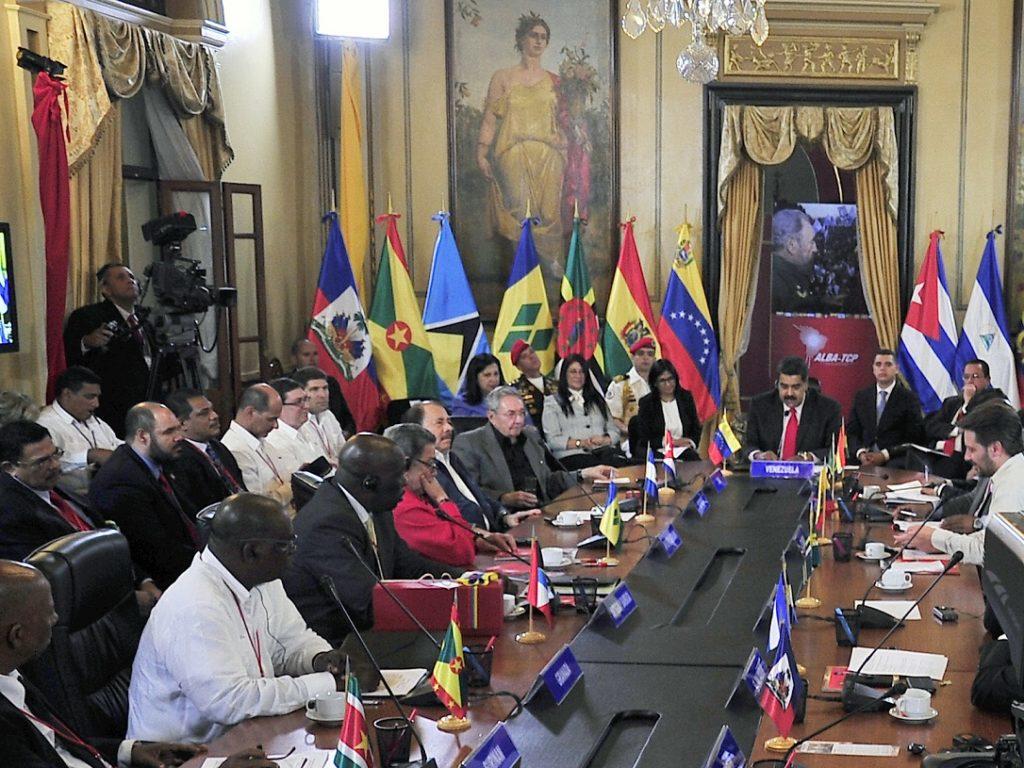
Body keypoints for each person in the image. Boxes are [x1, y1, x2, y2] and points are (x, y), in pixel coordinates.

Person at [128, 493, 365, 744]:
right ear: (252, 551)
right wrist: (326, 684)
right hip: (186, 753)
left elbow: (291, 641)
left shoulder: (260, 579)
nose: (294, 552)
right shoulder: (195, 605)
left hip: (249, 735)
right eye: (285, 546)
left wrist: (320, 659)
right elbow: (230, 701)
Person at [0, 560, 239, 768]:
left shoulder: (11, 672)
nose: (56, 620)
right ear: (17, 636)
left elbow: (55, 742)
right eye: (50, 613)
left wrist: (130, 751)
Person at [283, 434, 454, 646]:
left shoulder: (376, 505)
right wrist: (443, 608)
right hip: (341, 643)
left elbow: (407, 564)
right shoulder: (326, 524)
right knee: (448, 646)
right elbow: (365, 603)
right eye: (398, 476)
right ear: (369, 483)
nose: (405, 482)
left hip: (375, 628)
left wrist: (467, 582)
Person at [894, 402, 1024, 566]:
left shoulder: (1013, 486)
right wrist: (936, 539)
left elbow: (990, 551)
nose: (966, 457)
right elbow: (985, 537)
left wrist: (934, 538)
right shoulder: (1007, 472)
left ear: (995, 449)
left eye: (972, 449)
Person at [89, 403, 199, 590]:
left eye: (178, 428)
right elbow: (156, 553)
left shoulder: (163, 460)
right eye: (169, 432)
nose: (179, 437)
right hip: (167, 582)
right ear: (142, 436)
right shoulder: (121, 481)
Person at [453, 387, 613, 510]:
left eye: (522, 413)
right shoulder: (470, 443)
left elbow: (548, 481)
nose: (519, 420)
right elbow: (468, 491)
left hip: (543, 511)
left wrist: (583, 473)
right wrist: (505, 498)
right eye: (511, 414)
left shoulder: (530, 436)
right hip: (507, 519)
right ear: (491, 416)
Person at [403, 400, 541, 532]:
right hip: (472, 540)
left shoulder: (453, 458)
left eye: (449, 422)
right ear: (418, 430)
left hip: (493, 534)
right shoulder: (425, 471)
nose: (449, 428)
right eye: (439, 423)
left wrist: (505, 517)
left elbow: (479, 496)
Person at [62, 264, 168, 436]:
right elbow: (70, 353)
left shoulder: (146, 317)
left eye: (132, 277)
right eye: (121, 277)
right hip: (114, 406)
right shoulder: (88, 316)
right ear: (106, 289)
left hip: (151, 400)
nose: (130, 281)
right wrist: (87, 342)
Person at [384, 423, 479, 568]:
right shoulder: (405, 508)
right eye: (429, 464)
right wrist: (443, 499)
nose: (434, 472)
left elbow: (463, 535)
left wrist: (478, 540)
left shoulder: (419, 496)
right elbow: (463, 552)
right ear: (404, 466)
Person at [36, 366, 122, 498]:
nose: (96, 404)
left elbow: (115, 444)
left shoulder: (93, 420)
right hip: (71, 500)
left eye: (97, 397)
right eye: (90, 397)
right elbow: (45, 466)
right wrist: (89, 456)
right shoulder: (45, 424)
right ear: (67, 394)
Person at [163, 388, 246, 516]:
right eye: (204, 413)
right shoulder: (179, 458)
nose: (214, 416)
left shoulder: (218, 447)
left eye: (212, 410)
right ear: (182, 424)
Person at [745, 356, 842, 462]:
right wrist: (759, 455)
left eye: (796, 387)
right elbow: (748, 444)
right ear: (777, 384)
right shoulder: (760, 405)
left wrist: (807, 457)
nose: (789, 393)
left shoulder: (828, 409)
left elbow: (834, 448)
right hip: (769, 471)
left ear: (806, 385)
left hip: (809, 471)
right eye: (784, 387)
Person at [922, 359, 1008, 477]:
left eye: (975, 376)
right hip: (938, 453)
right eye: (966, 377)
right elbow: (932, 426)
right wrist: (956, 430)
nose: (970, 381)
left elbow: (975, 427)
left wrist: (968, 404)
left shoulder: (994, 403)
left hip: (965, 460)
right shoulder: (951, 402)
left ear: (987, 380)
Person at [542, 354, 624, 470]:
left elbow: (614, 432)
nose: (578, 376)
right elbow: (552, 441)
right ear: (564, 375)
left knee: (633, 464)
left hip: (603, 453)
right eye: (573, 372)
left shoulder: (597, 400)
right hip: (571, 457)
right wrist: (580, 443)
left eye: (582, 372)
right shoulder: (552, 402)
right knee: (600, 468)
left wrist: (604, 440)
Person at [846, 349, 924, 466]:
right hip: (863, 458)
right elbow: (852, 432)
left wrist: (884, 455)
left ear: (896, 369)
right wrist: (861, 453)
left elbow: (914, 437)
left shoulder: (909, 398)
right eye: (878, 364)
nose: (882, 368)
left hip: (895, 459)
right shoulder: (862, 397)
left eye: (888, 364)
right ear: (873, 369)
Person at [221, 384, 293, 505]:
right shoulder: (234, 450)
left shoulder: (260, 438)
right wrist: (292, 487)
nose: (276, 426)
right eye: (271, 419)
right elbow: (257, 504)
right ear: (250, 412)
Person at [632, 359, 700, 459]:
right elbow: (645, 438)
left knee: (693, 458)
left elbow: (696, 429)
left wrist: (690, 442)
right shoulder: (647, 403)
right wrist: (671, 442)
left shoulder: (686, 398)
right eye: (662, 381)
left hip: (684, 450)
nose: (668, 384)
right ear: (655, 383)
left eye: (670, 379)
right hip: (658, 451)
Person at [288, 338, 356, 436]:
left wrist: (346, 434)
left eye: (315, 354)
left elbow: (346, 418)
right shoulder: (288, 384)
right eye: (306, 355)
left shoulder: (331, 383)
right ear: (294, 358)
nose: (312, 359)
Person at [264, 378, 321, 473]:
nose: (307, 406)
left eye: (305, 399)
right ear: (278, 407)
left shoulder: (307, 427)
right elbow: (298, 478)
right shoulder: (275, 441)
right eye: (298, 402)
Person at [293, 366, 347, 465]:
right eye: (314, 389)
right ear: (301, 393)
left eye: (325, 388)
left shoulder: (329, 416)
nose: (323, 395)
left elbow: (343, 452)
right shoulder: (297, 423)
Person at [770, 208, 819, 314]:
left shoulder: (784, 274)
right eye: (811, 242)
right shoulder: (776, 283)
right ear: (791, 245)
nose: (815, 249)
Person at [604, 337, 656, 437]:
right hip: (629, 440)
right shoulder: (620, 385)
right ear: (632, 357)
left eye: (650, 354)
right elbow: (611, 417)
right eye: (641, 353)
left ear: (654, 359)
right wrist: (630, 431)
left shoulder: (659, 383)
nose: (645, 358)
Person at [509, 339, 557, 431]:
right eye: (524, 356)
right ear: (518, 366)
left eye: (532, 352)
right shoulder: (514, 390)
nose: (531, 357)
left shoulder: (555, 384)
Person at [452, 353, 505, 417]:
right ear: (475, 378)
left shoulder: (510, 399)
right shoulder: (461, 404)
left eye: (496, 374)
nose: (493, 379)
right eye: (487, 375)